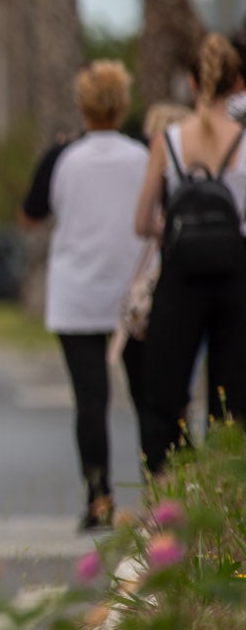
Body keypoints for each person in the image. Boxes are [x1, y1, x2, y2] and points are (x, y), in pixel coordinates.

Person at [21, 61, 151, 528]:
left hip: (77, 292)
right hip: (134, 293)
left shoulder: (62, 157)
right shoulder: (142, 154)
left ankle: (99, 499)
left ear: (81, 106)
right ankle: (162, 495)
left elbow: (31, 214)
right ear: (123, 105)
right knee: (148, 396)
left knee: (90, 400)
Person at [132, 34, 246, 474]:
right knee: (232, 399)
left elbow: (141, 221)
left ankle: (169, 499)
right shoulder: (242, 141)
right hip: (235, 275)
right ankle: (227, 504)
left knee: (165, 393)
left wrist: (173, 229)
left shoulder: (170, 140)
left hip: (181, 277)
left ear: (192, 82)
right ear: (237, 83)